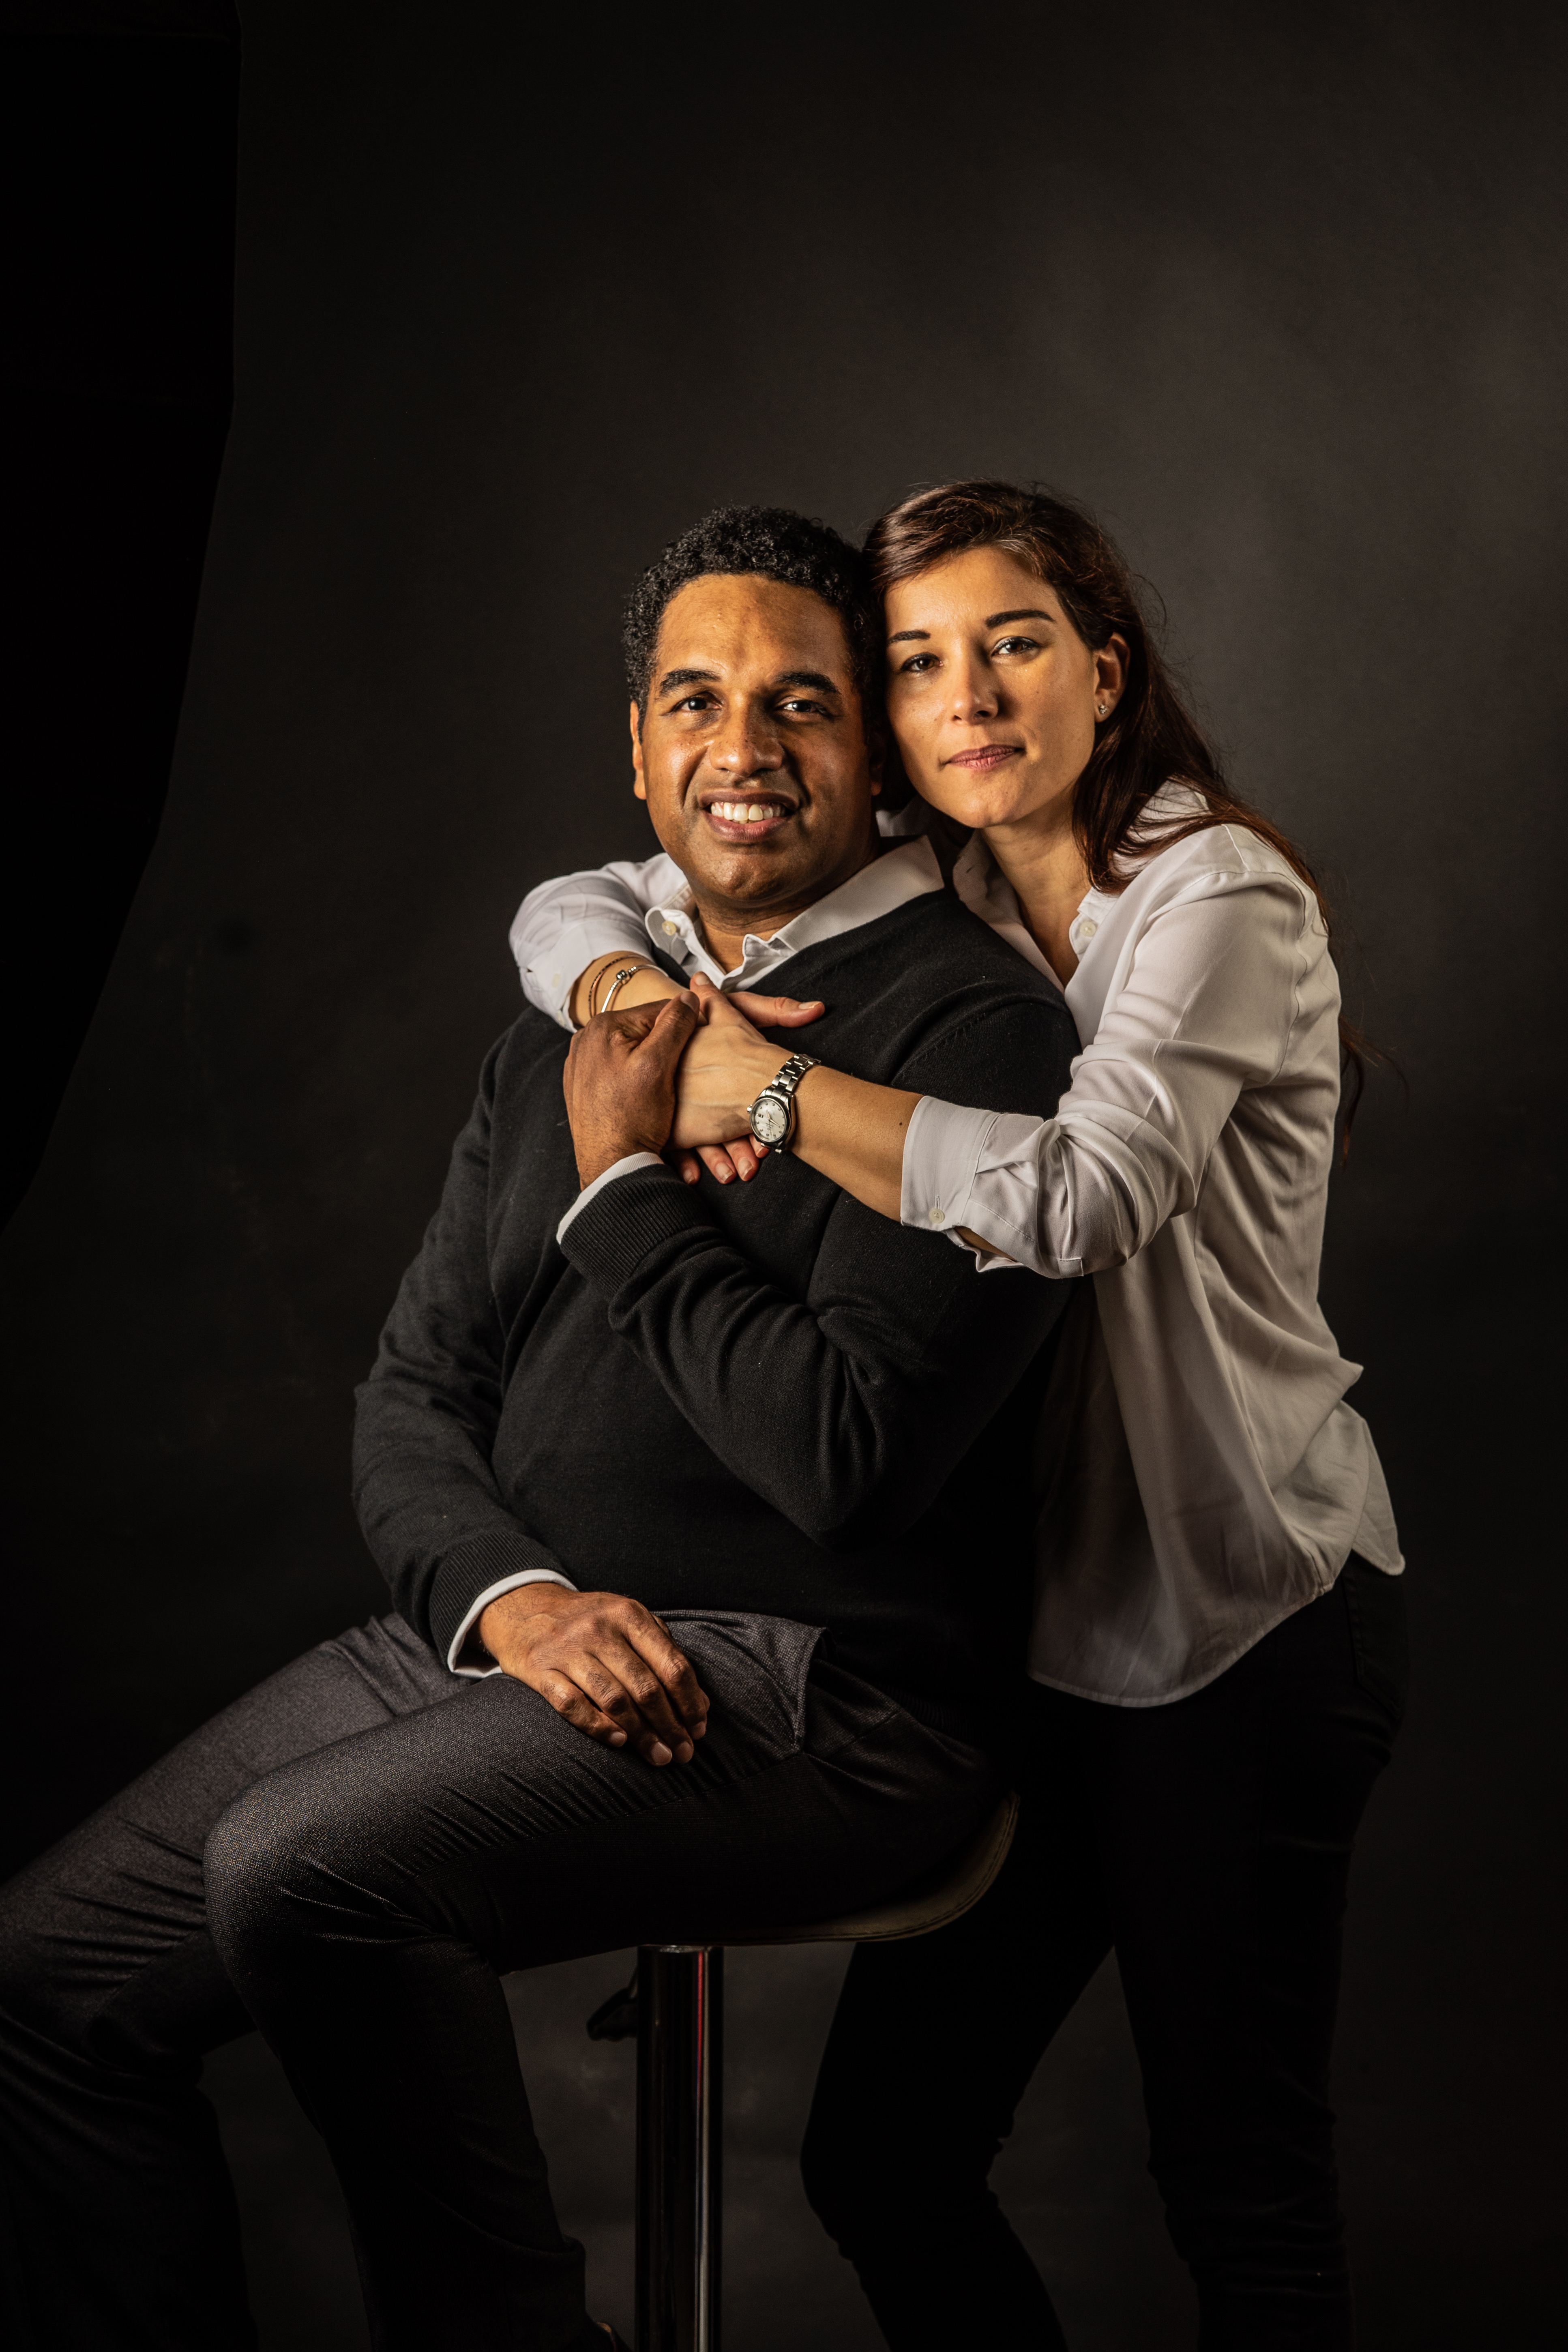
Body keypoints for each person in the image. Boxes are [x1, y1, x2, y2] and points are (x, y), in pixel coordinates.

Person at [0, 506, 1081, 2352]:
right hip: (518, 1641)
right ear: (638, 750)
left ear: (879, 751)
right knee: (44, 1983)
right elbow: (415, 1394)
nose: (743, 747)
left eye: (803, 702)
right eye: (695, 701)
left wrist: (622, 1190)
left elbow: (848, 1463)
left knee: (303, 1869)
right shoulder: (572, 1016)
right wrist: (516, 1602)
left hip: (826, 1692)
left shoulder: (976, 1032)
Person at [509, 480, 1408, 2350]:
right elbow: (577, 898)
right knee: (885, 2159)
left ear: (1106, 667)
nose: (967, 696)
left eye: (1011, 645)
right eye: (916, 664)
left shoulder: (1215, 897)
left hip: (1240, 1619)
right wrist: (634, 996)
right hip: (1039, 1629)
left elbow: (1079, 1199)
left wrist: (755, 1093)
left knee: (1237, 2186)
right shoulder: (967, 878)